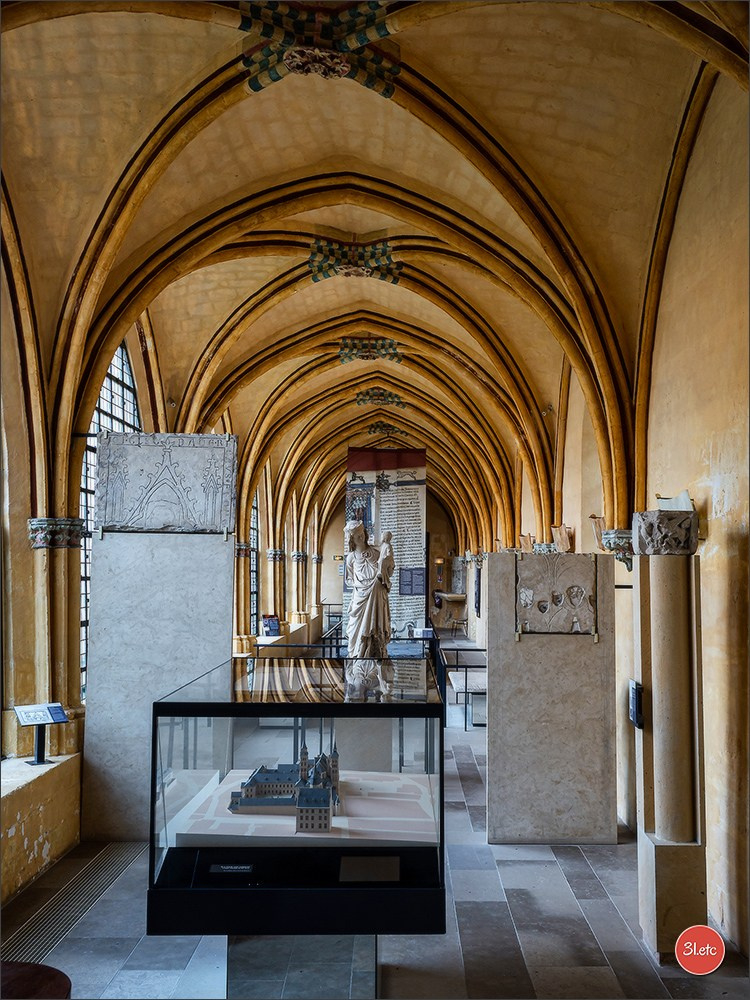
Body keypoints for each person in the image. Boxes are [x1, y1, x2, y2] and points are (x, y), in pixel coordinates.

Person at [343, 520, 394, 700]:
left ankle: (376, 653)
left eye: (362, 532)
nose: (361, 536)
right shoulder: (350, 558)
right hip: (360, 599)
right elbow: (350, 580)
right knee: (355, 632)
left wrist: (385, 565)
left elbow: (389, 569)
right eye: (357, 536)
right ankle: (357, 656)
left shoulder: (376, 552)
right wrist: (363, 586)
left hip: (377, 597)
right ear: (352, 539)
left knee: (376, 629)